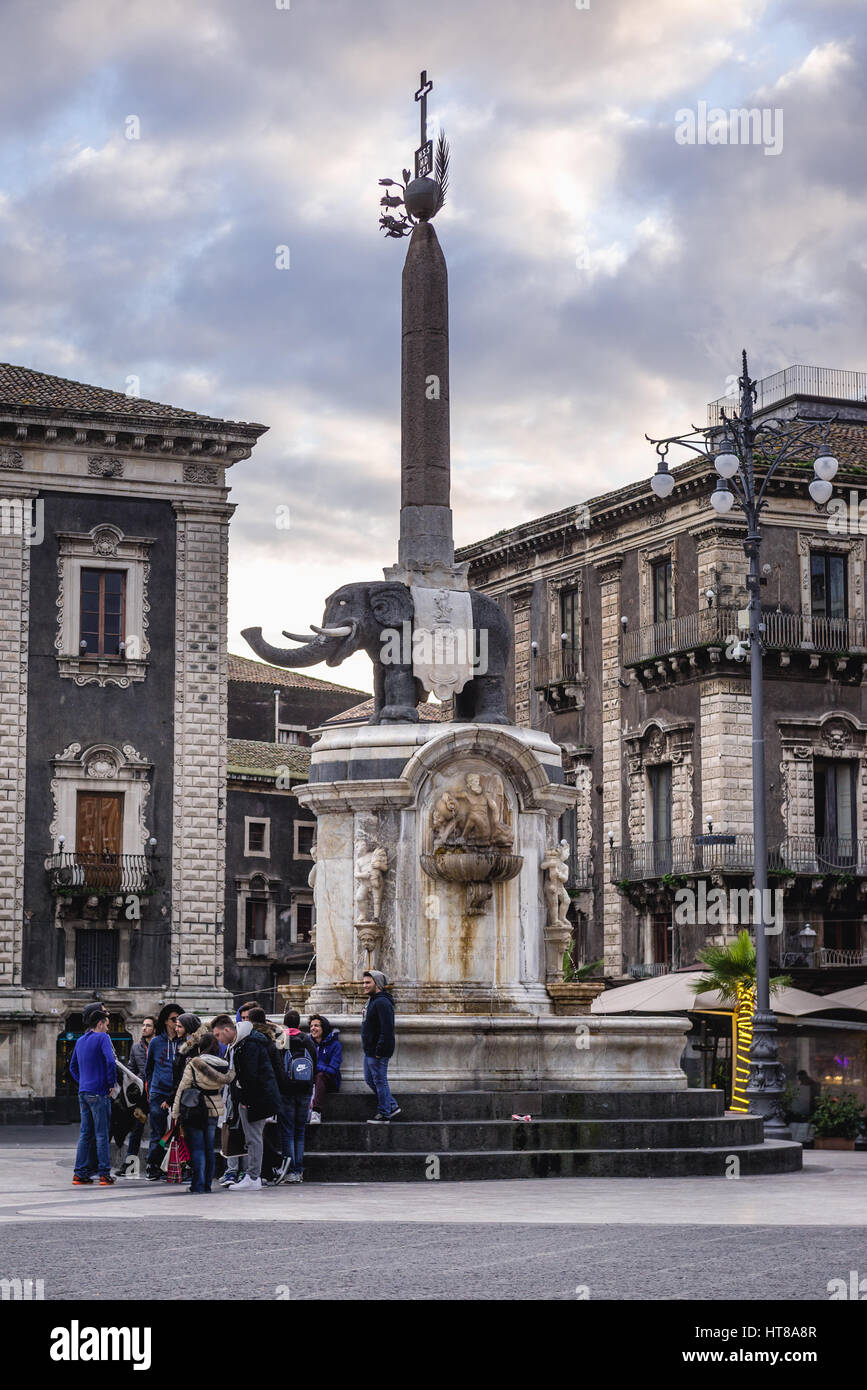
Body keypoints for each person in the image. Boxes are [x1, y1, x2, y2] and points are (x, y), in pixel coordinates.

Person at [211, 1014, 282, 1192]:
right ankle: (252, 1175)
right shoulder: (241, 1042)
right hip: (253, 1097)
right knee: (252, 1137)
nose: (218, 1040)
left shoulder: (249, 1044)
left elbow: (250, 1074)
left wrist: (245, 1099)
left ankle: (253, 1177)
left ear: (227, 1030)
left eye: (218, 1035)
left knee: (253, 1138)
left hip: (255, 1099)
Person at [171, 1026, 233, 1194]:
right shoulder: (223, 1066)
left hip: (195, 1109)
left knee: (197, 1148)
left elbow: (182, 1088)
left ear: (199, 1048)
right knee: (208, 1148)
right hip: (214, 1109)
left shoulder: (194, 1064)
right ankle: (207, 1184)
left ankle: (197, 1184)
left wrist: (175, 1113)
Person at [69, 1006, 118, 1186]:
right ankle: (104, 1174)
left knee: (85, 1134)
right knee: (101, 1134)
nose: (107, 1028)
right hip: (99, 1092)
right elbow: (111, 1062)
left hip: (83, 1092)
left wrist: (82, 1082)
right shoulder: (103, 1038)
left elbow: (72, 1067)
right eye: (106, 1024)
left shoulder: (80, 1040)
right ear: (99, 1023)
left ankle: (79, 1173)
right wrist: (110, 1083)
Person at [276, 1009, 317, 1183]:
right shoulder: (308, 1040)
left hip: (287, 1091)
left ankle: (289, 1169)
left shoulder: (282, 1039)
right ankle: (298, 1170)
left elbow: (276, 1065)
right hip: (305, 1090)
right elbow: (314, 1062)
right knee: (300, 1132)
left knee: (287, 1132)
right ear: (300, 1024)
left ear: (284, 1023)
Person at [144, 1003, 182, 1180]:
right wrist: (153, 1087)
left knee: (180, 1130)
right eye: (173, 1019)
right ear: (166, 1021)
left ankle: (181, 1163)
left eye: (179, 1020)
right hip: (158, 1093)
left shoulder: (185, 1042)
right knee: (158, 1131)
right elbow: (149, 1068)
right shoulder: (156, 1042)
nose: (176, 1023)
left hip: (180, 1093)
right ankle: (153, 1164)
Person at [361, 970, 399, 1123]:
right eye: (364, 982)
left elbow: (387, 1028)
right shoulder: (373, 1000)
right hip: (370, 1050)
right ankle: (392, 1106)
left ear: (377, 984)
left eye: (368, 983)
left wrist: (379, 1050)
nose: (364, 985)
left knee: (379, 1081)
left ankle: (384, 1114)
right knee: (370, 1079)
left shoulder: (382, 1002)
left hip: (377, 1051)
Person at [121, 1017, 154, 1173]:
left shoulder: (160, 1045)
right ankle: (129, 1166)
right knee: (136, 1131)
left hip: (156, 1094)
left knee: (158, 1132)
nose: (144, 1028)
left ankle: (153, 1164)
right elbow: (130, 1069)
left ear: (155, 1029)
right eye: (143, 1025)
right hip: (141, 1097)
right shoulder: (136, 1048)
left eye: (148, 1026)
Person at [309, 1014, 341, 1123]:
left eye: (316, 1026)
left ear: (324, 1028)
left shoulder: (335, 1044)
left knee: (320, 1076)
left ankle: (316, 1112)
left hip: (330, 1081)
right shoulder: (308, 1043)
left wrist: (315, 1067)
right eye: (311, 1026)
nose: (313, 1028)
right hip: (310, 1079)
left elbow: (333, 1070)